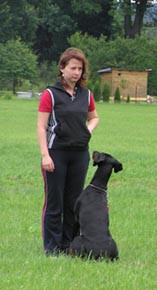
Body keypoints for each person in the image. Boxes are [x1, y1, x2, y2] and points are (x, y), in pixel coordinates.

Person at [37, 47, 99, 254]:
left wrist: (87, 130)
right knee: (55, 203)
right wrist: (45, 155)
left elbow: (94, 117)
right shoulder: (50, 94)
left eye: (80, 69)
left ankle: (69, 246)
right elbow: (41, 126)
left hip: (79, 154)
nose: (76, 73)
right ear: (62, 68)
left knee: (73, 203)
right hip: (56, 153)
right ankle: (52, 248)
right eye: (72, 68)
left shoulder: (86, 94)